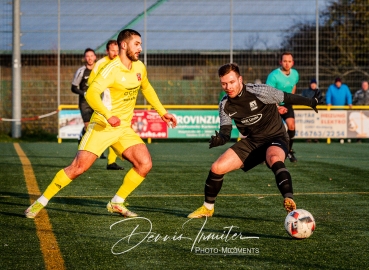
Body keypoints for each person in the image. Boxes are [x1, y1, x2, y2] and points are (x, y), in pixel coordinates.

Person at [25, 29, 177, 219]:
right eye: (136, 44)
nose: (140, 48)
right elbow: (90, 94)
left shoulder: (139, 68)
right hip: (102, 126)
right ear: (124, 45)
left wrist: (162, 112)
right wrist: (107, 114)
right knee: (78, 168)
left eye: (140, 44)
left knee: (144, 163)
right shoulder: (110, 70)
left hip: (123, 129)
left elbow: (147, 88)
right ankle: (41, 201)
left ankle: (117, 202)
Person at [187, 63, 322, 219]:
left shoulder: (260, 91)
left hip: (275, 137)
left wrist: (311, 102)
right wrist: (221, 139)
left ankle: (288, 197)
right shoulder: (225, 104)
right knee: (217, 167)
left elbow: (287, 97)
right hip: (252, 142)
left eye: (231, 82)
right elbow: (226, 131)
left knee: (273, 158)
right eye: (224, 83)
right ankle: (207, 208)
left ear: (240, 80)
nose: (228, 87)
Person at [87, 40, 124, 170]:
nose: (115, 53)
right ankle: (87, 155)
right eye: (112, 50)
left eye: (117, 50)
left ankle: (111, 161)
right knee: (99, 131)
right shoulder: (101, 63)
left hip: (119, 105)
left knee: (116, 131)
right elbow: (91, 82)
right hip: (105, 105)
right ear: (107, 51)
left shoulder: (122, 62)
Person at [71, 48, 106, 159]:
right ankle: (82, 146)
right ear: (85, 58)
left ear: (95, 57)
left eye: (91, 56)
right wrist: (84, 93)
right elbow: (73, 88)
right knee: (88, 126)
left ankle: (99, 151)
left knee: (99, 126)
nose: (90, 58)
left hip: (98, 102)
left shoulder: (100, 69)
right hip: (84, 102)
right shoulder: (81, 71)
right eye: (87, 56)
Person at [266, 52, 299, 163]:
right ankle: (263, 153)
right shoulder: (274, 76)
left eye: (289, 61)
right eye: (284, 61)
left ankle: (288, 151)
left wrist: (291, 99)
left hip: (287, 103)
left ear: (292, 63)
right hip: (273, 104)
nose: (287, 64)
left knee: (291, 126)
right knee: (270, 131)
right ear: (280, 62)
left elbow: (293, 85)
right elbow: (268, 94)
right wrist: (276, 107)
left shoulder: (295, 74)